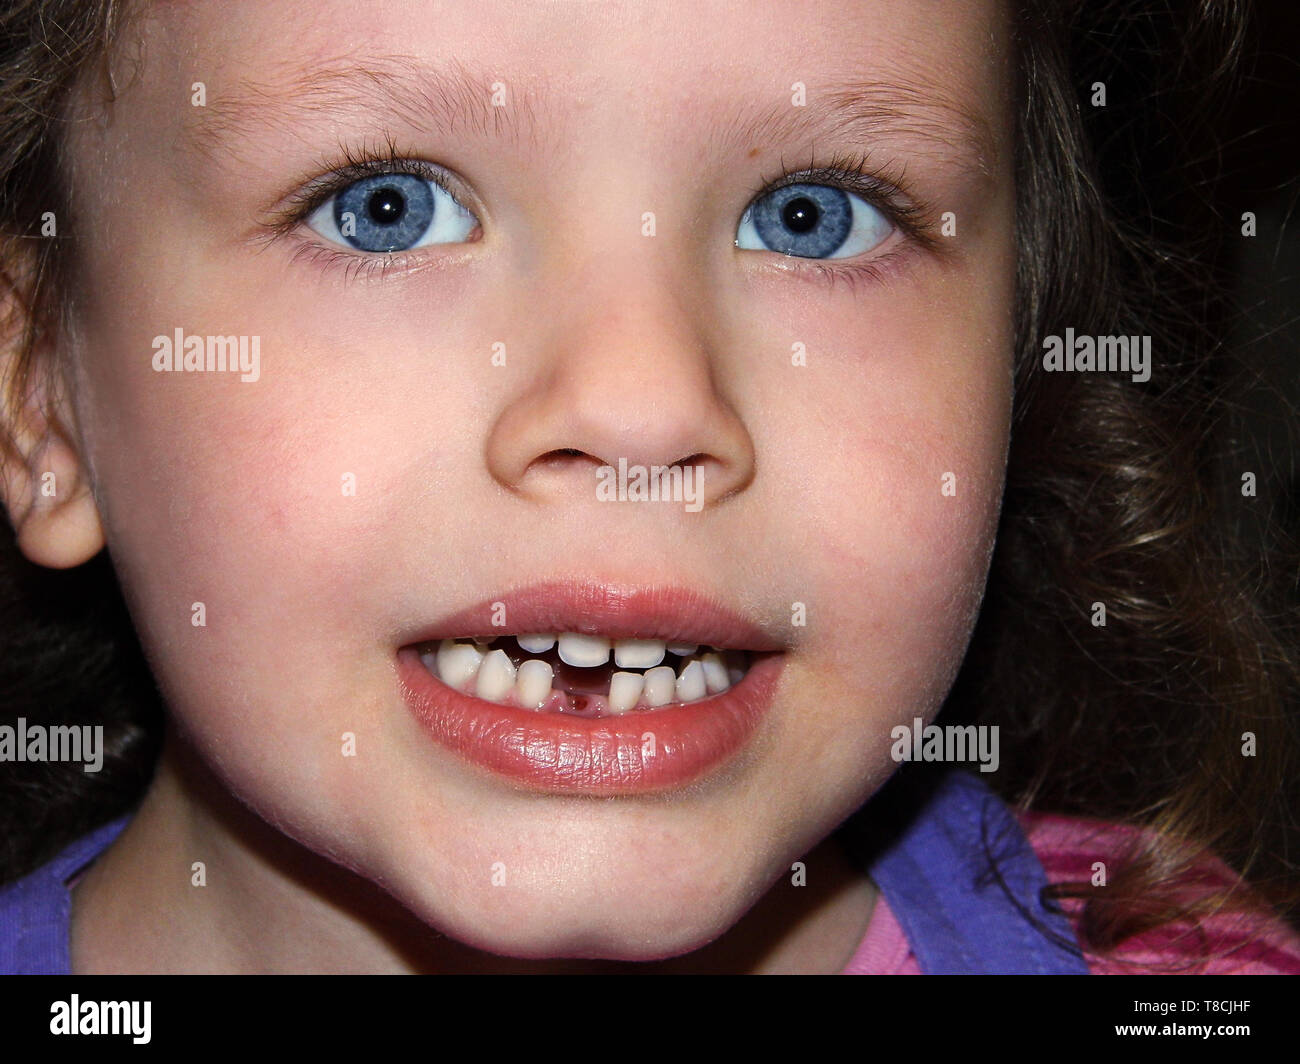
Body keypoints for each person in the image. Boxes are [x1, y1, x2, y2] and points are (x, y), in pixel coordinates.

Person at [0, 0, 1296, 974]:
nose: (645, 400)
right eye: (383, 207)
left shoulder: (1177, 958)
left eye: (816, 216)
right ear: (41, 393)